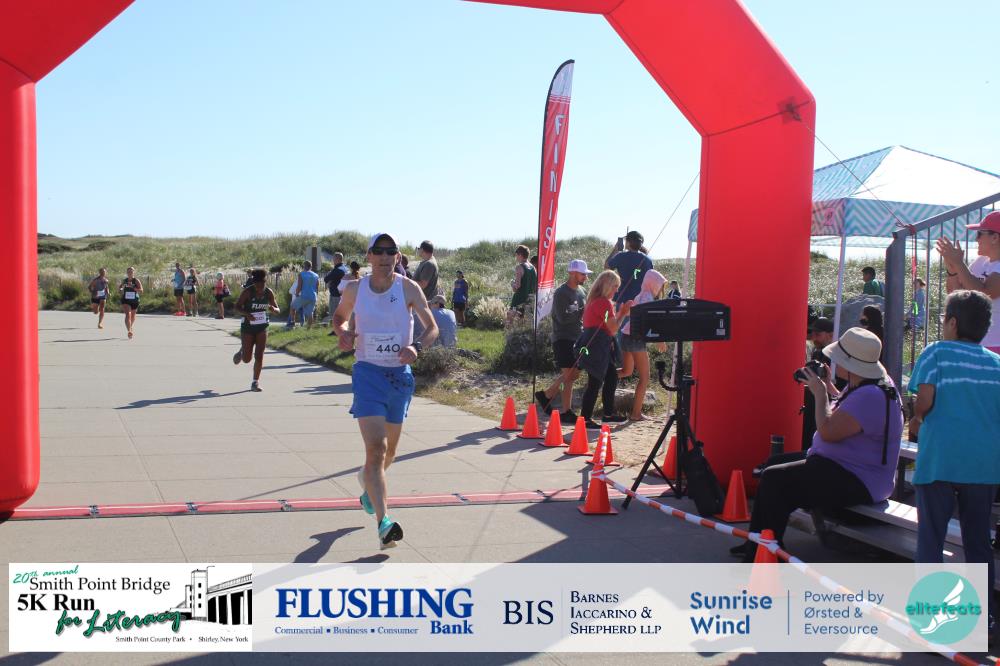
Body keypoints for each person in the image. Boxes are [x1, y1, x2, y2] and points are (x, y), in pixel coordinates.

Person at [730, 327, 903, 562]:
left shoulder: (870, 395)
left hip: (859, 479)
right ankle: (757, 542)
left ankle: (769, 550)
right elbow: (848, 413)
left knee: (775, 478)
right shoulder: (871, 384)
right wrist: (829, 387)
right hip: (849, 467)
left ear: (850, 364)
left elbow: (828, 431)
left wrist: (820, 395)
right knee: (773, 465)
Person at [333, 232, 438, 549]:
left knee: (389, 453)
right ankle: (384, 523)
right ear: (369, 256)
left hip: (399, 377)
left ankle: (369, 486)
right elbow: (339, 318)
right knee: (376, 449)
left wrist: (416, 347)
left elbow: (432, 327)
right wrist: (343, 333)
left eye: (390, 251)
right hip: (367, 373)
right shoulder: (355, 289)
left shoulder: (408, 288)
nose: (383, 257)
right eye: (378, 251)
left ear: (397, 256)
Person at [909, 290, 1000, 633]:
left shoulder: (936, 352)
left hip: (940, 460)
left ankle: (930, 621)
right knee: (978, 542)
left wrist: (917, 416)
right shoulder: (996, 364)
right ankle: (983, 619)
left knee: (931, 539)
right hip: (984, 466)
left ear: (952, 322)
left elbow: (924, 401)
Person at [535, 259, 590, 423]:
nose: (586, 277)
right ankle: (555, 402)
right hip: (563, 337)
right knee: (569, 375)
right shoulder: (561, 293)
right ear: (572, 273)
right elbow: (562, 318)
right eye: (583, 274)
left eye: (586, 274)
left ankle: (554, 401)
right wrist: (582, 312)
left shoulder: (582, 291)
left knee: (572, 376)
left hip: (578, 337)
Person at [575, 270, 632, 429]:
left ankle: (606, 415)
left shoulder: (594, 301)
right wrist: (623, 313)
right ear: (607, 286)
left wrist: (619, 313)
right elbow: (613, 329)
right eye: (615, 286)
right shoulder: (603, 303)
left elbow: (609, 326)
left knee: (610, 377)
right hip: (598, 347)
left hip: (595, 346)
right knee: (595, 382)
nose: (617, 290)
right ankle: (587, 418)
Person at [937, 210, 1000, 353]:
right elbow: (956, 294)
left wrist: (959, 264)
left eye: (979, 234)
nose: (976, 239)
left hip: (996, 346)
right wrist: (952, 270)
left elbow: (985, 294)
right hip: (974, 345)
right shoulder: (981, 261)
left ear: (995, 237)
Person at [619, 270, 668, 421]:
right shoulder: (647, 298)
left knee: (626, 371)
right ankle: (636, 413)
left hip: (625, 335)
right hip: (635, 338)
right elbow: (647, 321)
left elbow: (632, 314)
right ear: (653, 284)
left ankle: (601, 376)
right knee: (645, 377)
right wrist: (659, 339)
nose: (660, 289)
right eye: (660, 285)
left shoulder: (640, 295)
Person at [233, 268, 280, 392]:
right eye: (257, 286)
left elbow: (277, 309)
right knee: (247, 359)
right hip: (248, 327)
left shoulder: (268, 292)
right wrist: (247, 314)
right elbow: (237, 307)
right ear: (254, 284)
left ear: (265, 282)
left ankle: (255, 382)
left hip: (262, 327)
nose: (259, 289)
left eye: (262, 286)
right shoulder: (247, 292)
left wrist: (274, 309)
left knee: (259, 355)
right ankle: (242, 351)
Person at [800, 317, 834, 450]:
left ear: (830, 335)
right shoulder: (817, 352)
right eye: (812, 333)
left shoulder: (834, 357)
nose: (814, 337)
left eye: (818, 334)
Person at [605, 230, 653, 305]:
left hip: (622, 299)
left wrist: (615, 249)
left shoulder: (621, 256)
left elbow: (607, 267)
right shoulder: (648, 260)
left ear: (628, 243)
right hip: (640, 300)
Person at [507, 244, 537, 326]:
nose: (516, 257)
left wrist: (512, 283)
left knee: (510, 319)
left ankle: (509, 334)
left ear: (520, 255)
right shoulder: (533, 268)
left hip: (518, 300)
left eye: (516, 255)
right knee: (524, 323)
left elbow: (517, 287)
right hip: (529, 300)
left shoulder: (519, 267)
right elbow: (535, 286)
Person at [324, 253, 348, 335]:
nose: (333, 261)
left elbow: (326, 279)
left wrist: (330, 277)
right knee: (342, 315)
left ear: (337, 259)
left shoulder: (337, 270)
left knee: (334, 314)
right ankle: (342, 329)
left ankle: (336, 331)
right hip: (345, 295)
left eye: (333, 259)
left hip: (336, 295)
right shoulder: (346, 268)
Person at [118, 267, 143, 340]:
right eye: (128, 272)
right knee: (127, 314)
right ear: (127, 273)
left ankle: (130, 327)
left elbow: (141, 290)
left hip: (134, 300)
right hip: (126, 300)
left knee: (132, 316)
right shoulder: (124, 281)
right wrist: (121, 289)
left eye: (131, 272)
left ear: (133, 273)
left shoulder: (136, 281)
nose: (130, 273)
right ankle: (129, 330)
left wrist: (134, 288)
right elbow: (120, 289)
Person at [295, 260, 320, 328]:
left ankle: (291, 323)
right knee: (310, 312)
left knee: (292, 307)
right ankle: (309, 328)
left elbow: (299, 286)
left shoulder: (301, 274)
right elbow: (317, 286)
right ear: (311, 266)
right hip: (313, 296)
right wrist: (316, 294)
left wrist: (297, 293)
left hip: (305, 296)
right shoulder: (316, 275)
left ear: (304, 266)